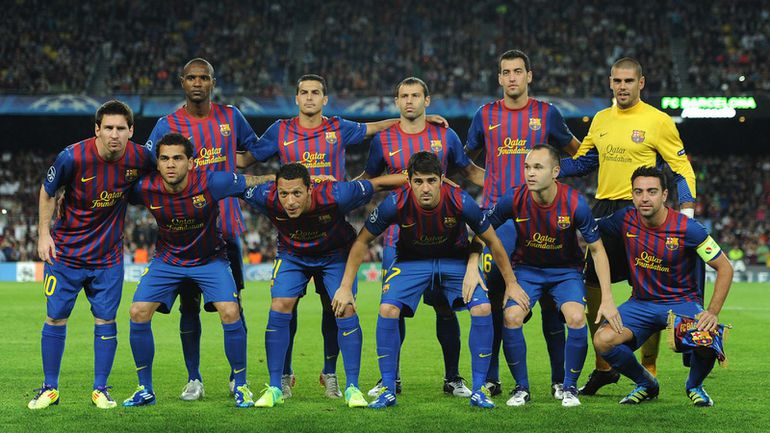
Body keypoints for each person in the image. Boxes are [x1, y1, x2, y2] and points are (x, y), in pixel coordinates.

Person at [238, 74, 448, 399]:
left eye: (316, 92)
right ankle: (283, 377)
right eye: (304, 92)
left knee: (335, 306)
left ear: (325, 99)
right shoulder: (280, 131)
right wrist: (264, 176)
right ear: (296, 98)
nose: (310, 97)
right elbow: (244, 161)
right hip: (293, 238)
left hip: (333, 228)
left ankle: (332, 374)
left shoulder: (338, 128)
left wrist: (414, 120)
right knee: (284, 304)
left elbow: (373, 131)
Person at [335, 151, 526, 409]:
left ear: (442, 179)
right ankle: (388, 389)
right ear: (409, 181)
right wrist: (345, 286)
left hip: (454, 262)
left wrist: (510, 283)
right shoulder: (395, 202)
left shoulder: (459, 199)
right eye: (418, 181)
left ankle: (480, 389)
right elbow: (362, 241)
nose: (425, 188)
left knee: (482, 307)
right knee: (387, 309)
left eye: (431, 181)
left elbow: (492, 240)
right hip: (411, 262)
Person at [559, 57, 698, 395]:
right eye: (617, 81)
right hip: (605, 210)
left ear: (641, 83)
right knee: (591, 282)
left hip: (642, 211)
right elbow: (585, 162)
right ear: (610, 82)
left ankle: (648, 367)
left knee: (650, 289)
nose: (622, 86)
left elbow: (681, 169)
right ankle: (604, 366)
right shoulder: (601, 119)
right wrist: (545, 167)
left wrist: (687, 212)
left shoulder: (658, 121)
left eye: (628, 81)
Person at [358, 77, 486, 398]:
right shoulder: (384, 140)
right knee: (392, 306)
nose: (409, 101)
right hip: (398, 239)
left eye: (415, 95)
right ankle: (391, 379)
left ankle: (453, 377)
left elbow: (470, 171)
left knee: (445, 306)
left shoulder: (445, 135)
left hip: (445, 237)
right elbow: (369, 180)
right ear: (396, 102)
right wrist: (335, 194)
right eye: (404, 96)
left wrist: (511, 189)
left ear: (427, 100)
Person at [240, 163, 407, 408]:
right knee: (280, 304)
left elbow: (379, 183)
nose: (290, 201)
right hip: (292, 255)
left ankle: (352, 388)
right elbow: (232, 184)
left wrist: (425, 179)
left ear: (310, 189)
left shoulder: (336, 194)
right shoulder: (266, 196)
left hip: (335, 255)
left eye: (297, 193)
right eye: (284, 194)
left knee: (344, 308)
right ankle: (275, 387)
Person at [465, 49, 581, 397]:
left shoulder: (547, 114)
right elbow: (463, 161)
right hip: (498, 224)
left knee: (551, 305)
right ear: (499, 78)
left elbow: (578, 152)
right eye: (506, 72)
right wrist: (489, 181)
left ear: (529, 76)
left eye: (518, 71)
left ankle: (559, 380)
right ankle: (492, 377)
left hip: (542, 222)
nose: (512, 77)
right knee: (494, 302)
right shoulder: (485, 115)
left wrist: (553, 180)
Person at [122, 133, 266, 408]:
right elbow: (113, 192)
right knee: (137, 312)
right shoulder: (145, 187)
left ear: (191, 162)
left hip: (210, 260)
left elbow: (253, 181)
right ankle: (145, 389)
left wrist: (298, 180)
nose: (170, 164)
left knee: (231, 311)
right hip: (168, 261)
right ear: (157, 163)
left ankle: (241, 385)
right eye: (164, 158)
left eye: (177, 158)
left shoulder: (212, 182)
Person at [145, 58, 259, 400]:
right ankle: (193, 378)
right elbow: (147, 163)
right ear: (182, 82)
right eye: (192, 78)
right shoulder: (167, 124)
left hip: (226, 227)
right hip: (185, 229)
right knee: (189, 306)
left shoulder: (231, 116)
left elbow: (255, 150)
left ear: (213, 82)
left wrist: (235, 161)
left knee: (234, 305)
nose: (198, 83)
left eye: (204, 78)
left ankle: (237, 377)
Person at [30, 100, 154, 410]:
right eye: (108, 128)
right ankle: (50, 388)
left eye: (121, 128)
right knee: (55, 317)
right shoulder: (72, 156)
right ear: (97, 130)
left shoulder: (140, 157)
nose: (114, 134)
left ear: (131, 131)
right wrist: (44, 234)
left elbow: (167, 173)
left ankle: (100, 389)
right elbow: (47, 191)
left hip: (107, 257)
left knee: (106, 319)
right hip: (66, 254)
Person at [472, 145, 617, 407]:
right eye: (527, 167)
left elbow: (597, 250)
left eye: (538, 167)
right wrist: (473, 264)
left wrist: (607, 298)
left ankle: (569, 388)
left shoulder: (574, 202)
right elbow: (483, 229)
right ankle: (521, 388)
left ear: (555, 171)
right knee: (511, 316)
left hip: (566, 273)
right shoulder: (514, 198)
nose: (530, 173)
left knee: (575, 317)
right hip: (527, 271)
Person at [593, 166, 732, 406]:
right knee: (602, 340)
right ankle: (646, 383)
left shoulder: (688, 228)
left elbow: (725, 267)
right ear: (632, 195)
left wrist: (712, 312)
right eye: (638, 192)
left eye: (652, 191)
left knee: (707, 337)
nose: (644, 198)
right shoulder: (625, 219)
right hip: (641, 304)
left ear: (664, 195)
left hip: (681, 304)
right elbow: (588, 225)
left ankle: (694, 385)